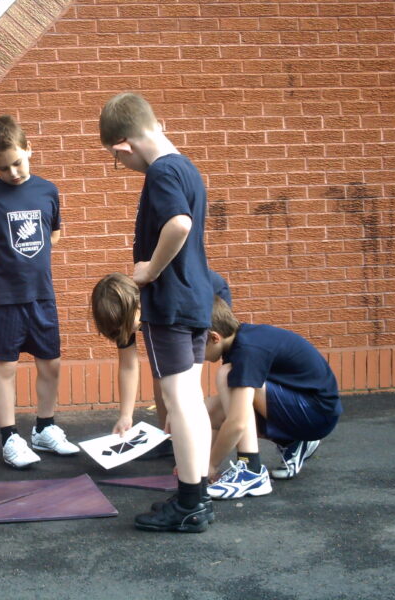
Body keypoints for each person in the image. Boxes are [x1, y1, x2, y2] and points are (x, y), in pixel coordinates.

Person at [98, 92, 213, 533]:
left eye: (116, 159)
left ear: (121, 146)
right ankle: (196, 493)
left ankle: (189, 505)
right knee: (191, 401)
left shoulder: (161, 172)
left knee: (179, 402)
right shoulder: (185, 165)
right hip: (196, 299)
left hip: (171, 302)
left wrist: (147, 271)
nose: (122, 165)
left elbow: (179, 224)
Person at [0, 115, 79, 469]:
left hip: (41, 295)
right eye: (2, 168)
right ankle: (9, 437)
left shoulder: (48, 190)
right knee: (6, 367)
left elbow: (54, 234)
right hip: (2, 296)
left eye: (17, 162)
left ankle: (44, 428)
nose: (12, 172)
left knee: (51, 363)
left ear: (29, 149)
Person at [204, 296, 342, 499]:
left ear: (215, 337)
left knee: (227, 375)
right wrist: (202, 465)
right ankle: (293, 441)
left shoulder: (248, 351)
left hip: (317, 413)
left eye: (195, 345)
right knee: (209, 411)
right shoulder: (241, 340)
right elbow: (216, 415)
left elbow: (238, 424)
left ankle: (250, 470)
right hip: (306, 407)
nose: (193, 353)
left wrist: (211, 464)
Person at [91, 270, 231, 462]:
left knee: (182, 377)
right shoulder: (124, 312)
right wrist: (125, 416)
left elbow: (185, 372)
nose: (123, 332)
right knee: (162, 370)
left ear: (138, 305)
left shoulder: (161, 306)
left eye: (124, 326)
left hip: (207, 297)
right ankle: (169, 436)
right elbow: (128, 366)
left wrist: (177, 410)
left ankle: (208, 445)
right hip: (177, 303)